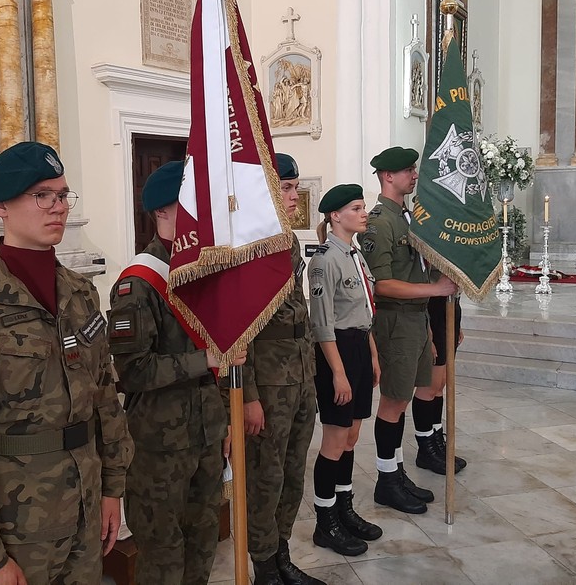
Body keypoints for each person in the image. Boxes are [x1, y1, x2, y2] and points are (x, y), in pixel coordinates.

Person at [0, 141, 133, 585]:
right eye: (42, 195)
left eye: (62, 195)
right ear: (0, 206)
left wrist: (112, 486)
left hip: (85, 506)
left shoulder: (80, 294)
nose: (58, 206)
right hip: (19, 526)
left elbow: (104, 397)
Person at [107, 160, 246, 585]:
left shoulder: (201, 271)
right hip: (159, 445)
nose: (200, 216)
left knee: (202, 544)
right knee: (163, 557)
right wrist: (204, 359)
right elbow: (132, 372)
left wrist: (224, 420)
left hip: (205, 434)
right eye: (190, 206)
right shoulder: (138, 283)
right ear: (161, 212)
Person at [360, 147, 457, 516]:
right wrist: (435, 289)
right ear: (388, 176)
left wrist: (428, 329)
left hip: (416, 319)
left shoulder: (406, 217)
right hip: (395, 321)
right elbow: (381, 285)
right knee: (393, 401)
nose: (414, 175)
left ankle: (397, 473)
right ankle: (387, 481)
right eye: (407, 171)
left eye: (414, 169)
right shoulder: (379, 222)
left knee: (403, 402)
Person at [241, 154, 323, 585]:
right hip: (269, 384)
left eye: (295, 187)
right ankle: (264, 567)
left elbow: (298, 313)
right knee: (265, 478)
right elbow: (240, 329)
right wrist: (249, 395)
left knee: (293, 473)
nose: (295, 196)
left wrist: (311, 376)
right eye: (287, 187)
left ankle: (282, 554)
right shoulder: (246, 244)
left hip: (299, 376)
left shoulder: (286, 239)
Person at [307, 184, 383, 558]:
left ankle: (344, 508)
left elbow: (364, 312)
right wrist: (338, 373)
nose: (364, 213)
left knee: (351, 437)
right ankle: (326, 522)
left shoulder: (355, 254)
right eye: (356, 208)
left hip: (358, 347)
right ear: (335, 216)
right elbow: (322, 324)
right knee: (335, 440)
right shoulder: (325, 260)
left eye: (363, 206)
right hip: (335, 352)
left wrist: (372, 356)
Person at [419, 291, 468, 475]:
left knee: (440, 385)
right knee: (430, 386)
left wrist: (456, 324)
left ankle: (436, 440)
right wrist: (428, 333)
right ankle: (426, 448)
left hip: (450, 308)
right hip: (433, 311)